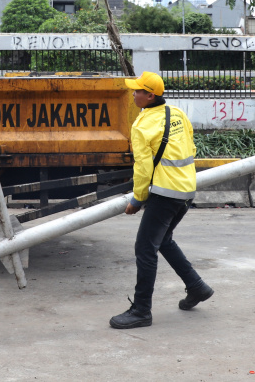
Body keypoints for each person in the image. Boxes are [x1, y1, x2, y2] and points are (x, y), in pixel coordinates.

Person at [110, 71, 213, 329]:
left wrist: (137, 199)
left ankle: (141, 310)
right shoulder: (177, 113)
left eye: (137, 91)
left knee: (145, 248)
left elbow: (143, 169)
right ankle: (197, 287)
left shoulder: (142, 126)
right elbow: (190, 147)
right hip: (187, 189)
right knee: (163, 239)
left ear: (150, 95)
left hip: (165, 194)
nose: (133, 94)